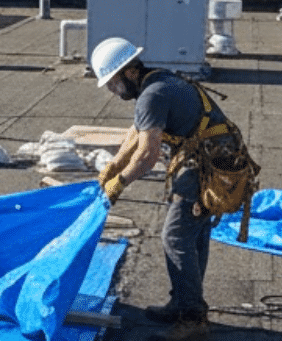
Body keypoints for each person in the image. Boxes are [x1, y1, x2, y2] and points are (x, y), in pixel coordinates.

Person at [92, 37, 238, 341]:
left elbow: (147, 155)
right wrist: (115, 164)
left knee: (176, 235)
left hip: (207, 163)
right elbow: (139, 130)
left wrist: (118, 184)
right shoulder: (155, 81)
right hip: (214, 155)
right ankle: (184, 303)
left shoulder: (152, 94)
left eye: (112, 82)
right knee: (193, 234)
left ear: (129, 72)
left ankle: (192, 319)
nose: (110, 90)